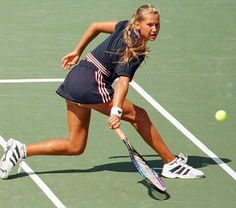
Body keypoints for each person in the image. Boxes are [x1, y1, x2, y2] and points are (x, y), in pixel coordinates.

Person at [0, 4, 204, 179]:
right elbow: (122, 83)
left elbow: (95, 25)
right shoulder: (133, 49)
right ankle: (171, 164)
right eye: (150, 24)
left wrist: (77, 51)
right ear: (137, 24)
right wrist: (116, 111)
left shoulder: (124, 26)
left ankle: (20, 149)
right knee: (139, 116)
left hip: (76, 78)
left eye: (157, 25)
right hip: (90, 85)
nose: (154, 29)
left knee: (75, 145)